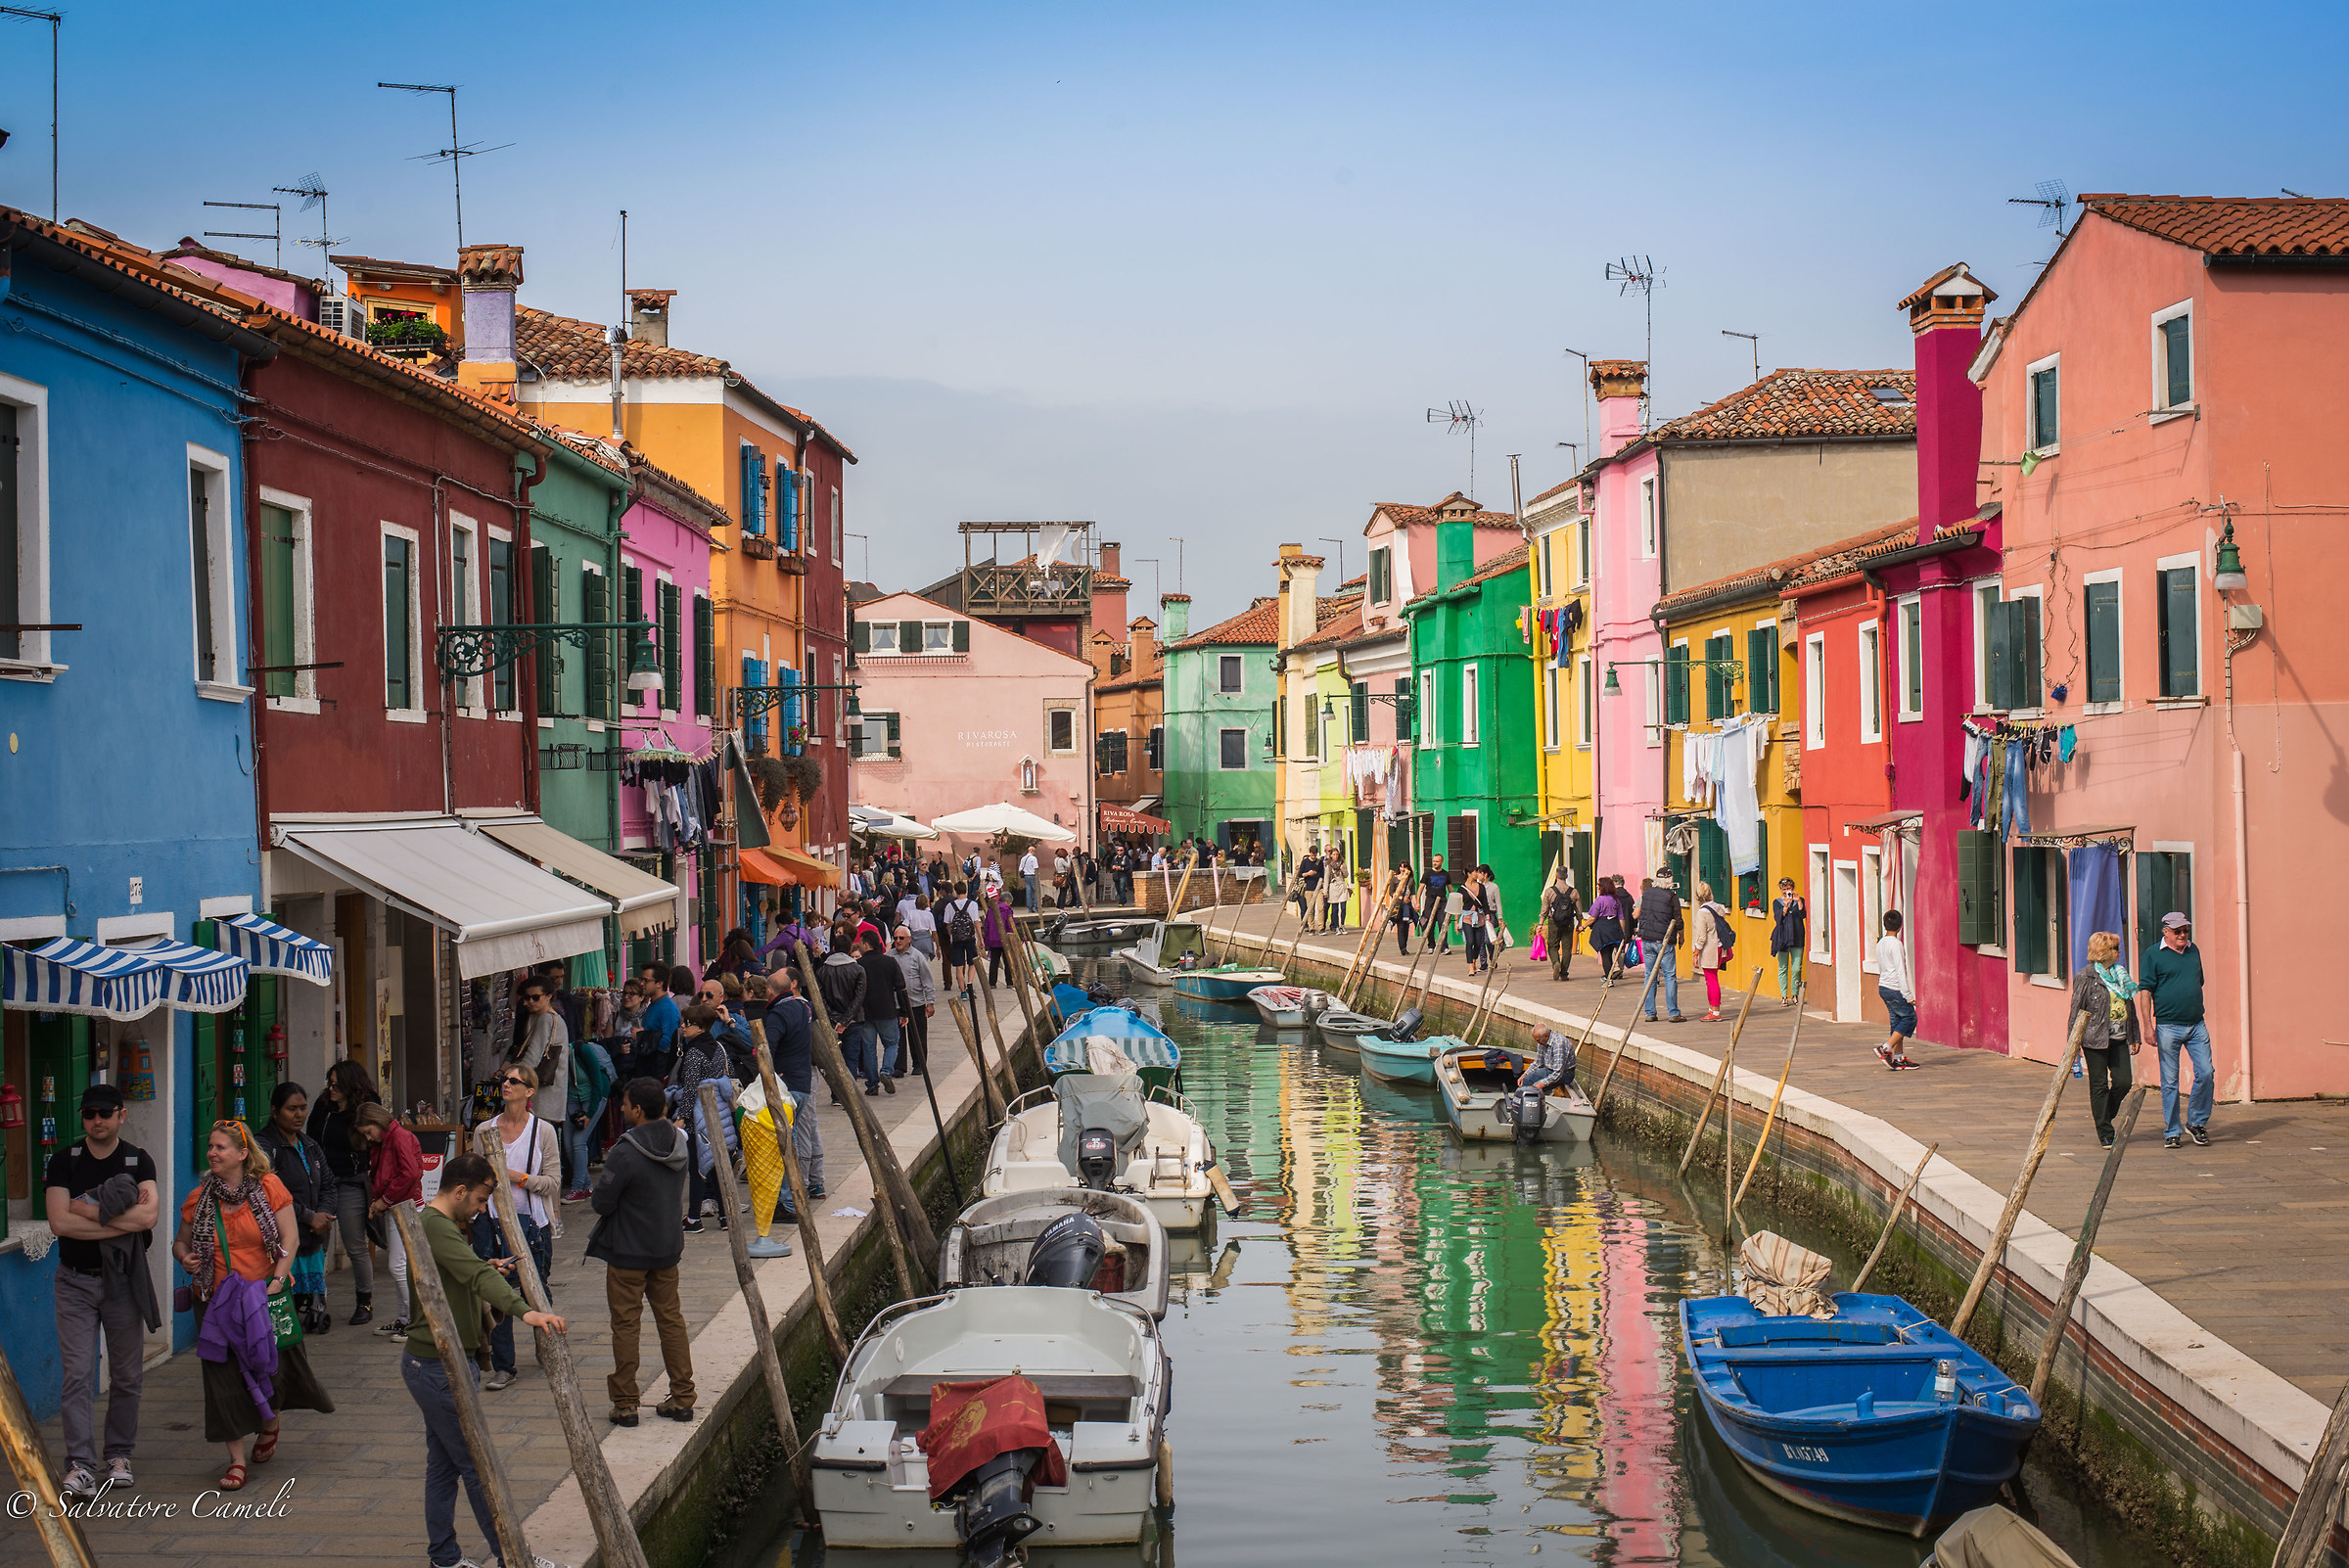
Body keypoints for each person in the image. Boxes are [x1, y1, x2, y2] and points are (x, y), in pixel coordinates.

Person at [398, 1151, 567, 1568]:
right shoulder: (436, 1227)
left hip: (437, 1362)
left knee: (443, 1466)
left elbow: (465, 1271)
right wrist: (524, 1310)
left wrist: (483, 1265)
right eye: (478, 1200)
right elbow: (474, 1277)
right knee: (477, 1466)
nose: (479, 1210)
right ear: (459, 1191)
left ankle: (444, 1557)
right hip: (438, 1365)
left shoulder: (439, 1227)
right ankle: (513, 1557)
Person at [171, 1120, 335, 1493]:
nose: (212, 1153)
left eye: (220, 1148)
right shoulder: (199, 1198)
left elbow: (290, 1238)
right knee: (222, 1379)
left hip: (265, 1296)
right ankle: (236, 1460)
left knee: (272, 1369)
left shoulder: (269, 1188)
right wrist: (185, 1258)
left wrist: (277, 1281)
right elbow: (179, 1244)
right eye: (210, 1147)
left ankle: (271, 1422)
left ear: (243, 1153)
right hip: (214, 1301)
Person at [45, 1082, 161, 1499]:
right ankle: (79, 1464)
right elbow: (59, 1223)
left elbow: (149, 1218)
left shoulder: (137, 1160)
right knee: (77, 1375)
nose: (96, 1121)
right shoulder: (64, 1161)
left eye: (104, 1114)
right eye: (89, 1114)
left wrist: (88, 1211)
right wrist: (116, 1220)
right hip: (73, 1279)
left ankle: (118, 1455)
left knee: (127, 1374)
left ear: (120, 1116)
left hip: (123, 1281)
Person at [588, 1078, 694, 1426]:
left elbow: (602, 1203)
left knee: (626, 1325)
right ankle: (682, 1397)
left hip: (628, 1254)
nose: (620, 1109)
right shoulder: (679, 1142)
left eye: (625, 1104)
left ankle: (626, 1403)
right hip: (667, 1249)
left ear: (637, 1110)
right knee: (671, 1321)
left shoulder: (625, 1151)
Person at [471, 1062, 560, 1389]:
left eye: (513, 1081)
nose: (505, 1085)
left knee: (535, 1290)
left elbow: (553, 1183)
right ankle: (503, 1365)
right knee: (495, 1291)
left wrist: (517, 1178)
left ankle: (547, 1346)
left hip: (531, 1223)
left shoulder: (544, 1131)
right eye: (503, 1080)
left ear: (529, 1091)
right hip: (490, 1222)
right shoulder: (485, 1131)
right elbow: (475, 1176)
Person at [256, 1083, 338, 1336]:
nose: (299, 1115)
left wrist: (323, 1214)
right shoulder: (264, 1146)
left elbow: (328, 1184)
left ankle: (313, 1309)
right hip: (283, 1233)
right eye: (292, 1109)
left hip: (314, 1232)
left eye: (303, 1108)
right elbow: (270, 1193)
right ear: (274, 1111)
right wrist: (308, 1216)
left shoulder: (310, 1145)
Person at [308, 1059, 381, 1325]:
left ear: (352, 1085)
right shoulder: (324, 1105)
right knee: (318, 1242)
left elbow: (373, 1142)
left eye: (337, 1084)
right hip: (322, 1182)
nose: (331, 1089)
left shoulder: (366, 1108)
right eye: (330, 1082)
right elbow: (311, 1136)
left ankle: (364, 1301)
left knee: (354, 1244)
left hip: (351, 1180)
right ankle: (315, 1299)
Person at [2144, 911, 2212, 1149]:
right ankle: (2172, 1131)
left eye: (2185, 930)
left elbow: (2198, 981)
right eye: (2177, 931)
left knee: (2206, 1072)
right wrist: (2148, 1027)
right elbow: (2146, 992)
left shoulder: (2194, 951)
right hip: (2167, 1026)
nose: (2183, 934)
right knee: (2170, 1081)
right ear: (2166, 932)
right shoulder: (2153, 954)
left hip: (2196, 1024)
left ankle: (2196, 1122)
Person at [356, 1102, 425, 1336]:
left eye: (368, 1131)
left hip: (405, 1207)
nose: (369, 1138)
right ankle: (405, 1318)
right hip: (399, 1206)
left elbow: (411, 1173)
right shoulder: (390, 1138)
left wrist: (383, 1199)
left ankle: (416, 1320)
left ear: (377, 1123)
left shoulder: (398, 1138)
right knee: (402, 1266)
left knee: (398, 1266)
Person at [2071, 931, 2143, 1149]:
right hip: (2095, 1039)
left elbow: (2129, 1005)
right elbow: (2076, 1010)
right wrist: (2073, 1045)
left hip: (2120, 1037)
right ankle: (2105, 1131)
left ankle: (2104, 1114)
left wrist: (2135, 1035)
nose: (2118, 952)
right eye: (2115, 949)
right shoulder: (2087, 976)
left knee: (2123, 1082)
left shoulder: (2121, 975)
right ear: (2103, 952)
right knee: (2099, 1085)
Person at [763, 966, 827, 1201]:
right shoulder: (805, 1007)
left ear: (770, 991)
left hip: (787, 1081)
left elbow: (767, 1049)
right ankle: (807, 1185)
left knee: (791, 1138)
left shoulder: (778, 1015)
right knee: (803, 1131)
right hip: (804, 1079)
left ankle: (793, 1196)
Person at [671, 1005, 736, 1229]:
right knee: (717, 1164)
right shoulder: (718, 1047)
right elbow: (730, 1076)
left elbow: (690, 1089)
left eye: (687, 1023)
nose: (683, 1026)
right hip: (719, 1114)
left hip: (697, 1117)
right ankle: (726, 1216)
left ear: (699, 1028)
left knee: (698, 1167)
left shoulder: (694, 1052)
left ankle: (693, 1219)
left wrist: (681, 1117)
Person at [512, 977, 570, 1173]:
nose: (528, 1002)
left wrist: (512, 1079)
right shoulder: (550, 1018)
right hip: (551, 1099)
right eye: (526, 998)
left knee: (540, 1157)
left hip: (543, 1099)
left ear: (549, 996)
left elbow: (533, 1057)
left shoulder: (546, 1019)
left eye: (535, 997)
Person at [564, 1031, 617, 1206]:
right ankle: (585, 1185)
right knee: (568, 1142)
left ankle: (578, 1188)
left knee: (579, 1141)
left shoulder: (582, 1051)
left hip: (595, 1096)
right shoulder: (551, 1060)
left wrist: (590, 1114)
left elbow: (598, 1083)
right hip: (573, 1098)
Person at [815, 929, 870, 1100]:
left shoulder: (822, 971)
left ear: (832, 947)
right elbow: (859, 997)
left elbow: (820, 998)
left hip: (831, 1021)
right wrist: (846, 1019)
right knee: (851, 1058)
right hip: (853, 1020)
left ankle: (836, 1095)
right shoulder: (858, 970)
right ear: (848, 950)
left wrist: (835, 1018)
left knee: (834, 1060)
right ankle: (850, 1095)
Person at [858, 928, 910, 1094]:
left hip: (866, 1013)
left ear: (866, 945)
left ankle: (872, 1084)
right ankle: (886, 1071)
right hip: (887, 1010)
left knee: (868, 1048)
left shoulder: (859, 965)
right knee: (891, 1043)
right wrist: (904, 1012)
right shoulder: (889, 962)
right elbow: (900, 988)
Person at [1636, 870, 1685, 1022]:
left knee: (1649, 976)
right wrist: (1681, 937)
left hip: (1647, 939)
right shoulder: (1671, 896)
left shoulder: (1647, 894)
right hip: (1663, 941)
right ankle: (1673, 1013)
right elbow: (1678, 920)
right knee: (1669, 975)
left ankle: (1650, 1012)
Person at [1873, 909, 1917, 1070]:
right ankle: (1886, 1048)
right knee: (1910, 1018)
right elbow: (1900, 971)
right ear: (1900, 926)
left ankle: (1899, 1058)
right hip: (1894, 987)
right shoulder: (1896, 944)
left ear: (1885, 925)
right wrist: (1908, 995)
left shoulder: (1881, 943)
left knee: (1897, 1023)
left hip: (1883, 986)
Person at [894, 924, 938, 1078]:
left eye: (901, 938)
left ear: (909, 939)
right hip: (897, 1005)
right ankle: (899, 1066)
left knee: (917, 1036)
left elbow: (927, 980)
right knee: (898, 1038)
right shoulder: (889, 956)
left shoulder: (917, 956)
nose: (898, 941)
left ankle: (919, 1064)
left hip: (916, 1003)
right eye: (896, 938)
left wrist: (930, 1002)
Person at [1691, 880, 1732, 1022]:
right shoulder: (1719, 908)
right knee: (1712, 978)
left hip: (1710, 949)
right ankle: (1712, 1008)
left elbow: (1702, 937)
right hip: (1721, 948)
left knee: (1711, 980)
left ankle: (1715, 1011)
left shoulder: (1702, 913)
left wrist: (1695, 953)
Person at [1769, 878, 1808, 1006]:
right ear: (1781, 890)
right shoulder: (1777, 902)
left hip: (1798, 938)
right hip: (1783, 938)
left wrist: (1798, 902)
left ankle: (1795, 994)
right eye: (1784, 889)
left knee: (1796, 968)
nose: (1787, 891)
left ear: (1793, 888)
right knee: (1783, 967)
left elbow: (1803, 915)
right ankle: (1784, 996)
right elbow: (1777, 918)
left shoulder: (1799, 900)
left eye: (1789, 888)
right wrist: (1785, 907)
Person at [942, 880, 985, 993]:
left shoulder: (950, 906)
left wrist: (952, 936)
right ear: (966, 890)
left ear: (956, 891)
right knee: (972, 963)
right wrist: (981, 938)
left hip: (956, 940)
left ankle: (963, 991)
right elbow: (976, 922)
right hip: (970, 938)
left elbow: (948, 925)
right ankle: (970, 985)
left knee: (959, 966)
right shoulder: (973, 905)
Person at [1542, 868, 1582, 982]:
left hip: (1554, 921)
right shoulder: (1574, 892)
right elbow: (1579, 910)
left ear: (1556, 876)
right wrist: (1579, 922)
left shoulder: (1550, 891)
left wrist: (1540, 923)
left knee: (1553, 946)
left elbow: (1544, 909)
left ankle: (1555, 963)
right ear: (1567, 876)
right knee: (1567, 948)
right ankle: (1564, 973)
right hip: (1568, 922)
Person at [1516, 1027, 1580, 1096]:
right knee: (1526, 1080)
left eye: (1538, 1040)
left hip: (1565, 1073)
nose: (1536, 1043)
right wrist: (1524, 1074)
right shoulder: (1542, 1042)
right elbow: (1537, 1062)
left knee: (1534, 1088)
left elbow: (1558, 1073)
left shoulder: (1558, 1044)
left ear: (1546, 1035)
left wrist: (1541, 1084)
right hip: (1549, 1069)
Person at [983, 884, 1018, 990]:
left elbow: (986, 925)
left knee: (994, 961)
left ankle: (992, 983)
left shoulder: (990, 910)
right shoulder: (1007, 911)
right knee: (1008, 961)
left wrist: (987, 939)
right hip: (1005, 939)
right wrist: (1014, 938)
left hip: (993, 939)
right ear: (1007, 902)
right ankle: (1009, 982)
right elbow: (1011, 926)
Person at [1458, 869, 1492, 973]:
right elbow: (1458, 905)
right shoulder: (1461, 889)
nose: (1477, 874)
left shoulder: (1481, 887)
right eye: (1475, 872)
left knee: (1478, 943)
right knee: (1470, 941)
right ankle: (1471, 968)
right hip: (1467, 918)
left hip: (1479, 918)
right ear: (1468, 874)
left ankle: (1473, 960)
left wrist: (1487, 915)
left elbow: (1485, 902)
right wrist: (1456, 922)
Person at [906, 891, 938, 962]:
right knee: (924, 962)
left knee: (914, 961)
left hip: (914, 940)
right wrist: (938, 946)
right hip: (925, 940)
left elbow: (905, 926)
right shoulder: (929, 915)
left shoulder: (911, 913)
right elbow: (934, 932)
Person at [1389, 879, 1418, 955]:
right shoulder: (1394, 879)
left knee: (1406, 927)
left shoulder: (1411, 880)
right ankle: (1402, 948)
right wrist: (1401, 898)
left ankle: (1405, 946)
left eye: (1405, 867)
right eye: (1401, 867)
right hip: (1398, 906)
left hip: (1407, 906)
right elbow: (1391, 893)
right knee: (1401, 927)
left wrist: (1416, 904)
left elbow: (1413, 894)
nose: (1403, 869)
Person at [1019, 847, 1040, 912]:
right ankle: (1037, 908)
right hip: (1032, 876)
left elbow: (1020, 869)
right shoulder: (1033, 858)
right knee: (1037, 891)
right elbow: (1036, 868)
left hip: (1026, 876)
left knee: (1028, 892)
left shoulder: (1023, 858)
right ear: (1032, 851)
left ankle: (1030, 908)